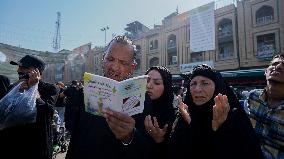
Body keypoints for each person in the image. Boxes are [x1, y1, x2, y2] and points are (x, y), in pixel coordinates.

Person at [66, 35, 154, 159]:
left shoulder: (142, 99)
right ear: (103, 59)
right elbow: (72, 128)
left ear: (132, 68)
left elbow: (147, 149)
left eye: (123, 63)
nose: (115, 67)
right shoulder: (84, 93)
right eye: (111, 59)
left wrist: (130, 136)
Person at [169, 64, 264, 159]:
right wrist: (190, 125)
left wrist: (220, 130)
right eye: (193, 84)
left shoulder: (233, 117)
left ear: (217, 87)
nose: (197, 89)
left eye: (205, 83)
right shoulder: (185, 114)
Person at [0, 55, 59, 159]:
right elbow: (4, 111)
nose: (19, 70)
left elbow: (47, 112)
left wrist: (33, 90)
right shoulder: (13, 87)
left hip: (35, 146)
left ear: (37, 71)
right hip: (12, 144)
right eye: (19, 67)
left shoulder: (50, 88)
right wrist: (18, 93)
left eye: (24, 68)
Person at [245, 53, 284, 159]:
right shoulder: (253, 97)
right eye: (275, 63)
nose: (278, 66)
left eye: (283, 65)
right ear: (266, 72)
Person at [144, 66, 176, 159]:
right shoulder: (135, 109)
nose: (149, 85)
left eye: (157, 83)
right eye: (147, 81)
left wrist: (160, 140)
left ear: (166, 87)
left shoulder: (174, 117)